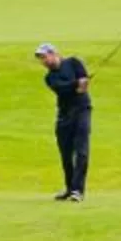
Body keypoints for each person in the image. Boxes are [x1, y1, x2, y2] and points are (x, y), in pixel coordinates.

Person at [34, 43, 90, 201]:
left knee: (81, 152)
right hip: (64, 116)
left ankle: (78, 190)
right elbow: (63, 89)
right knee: (65, 154)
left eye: (44, 57)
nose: (43, 61)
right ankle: (70, 188)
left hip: (82, 111)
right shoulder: (49, 78)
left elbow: (83, 85)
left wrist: (81, 84)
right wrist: (77, 84)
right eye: (41, 59)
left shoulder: (73, 62)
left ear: (54, 54)